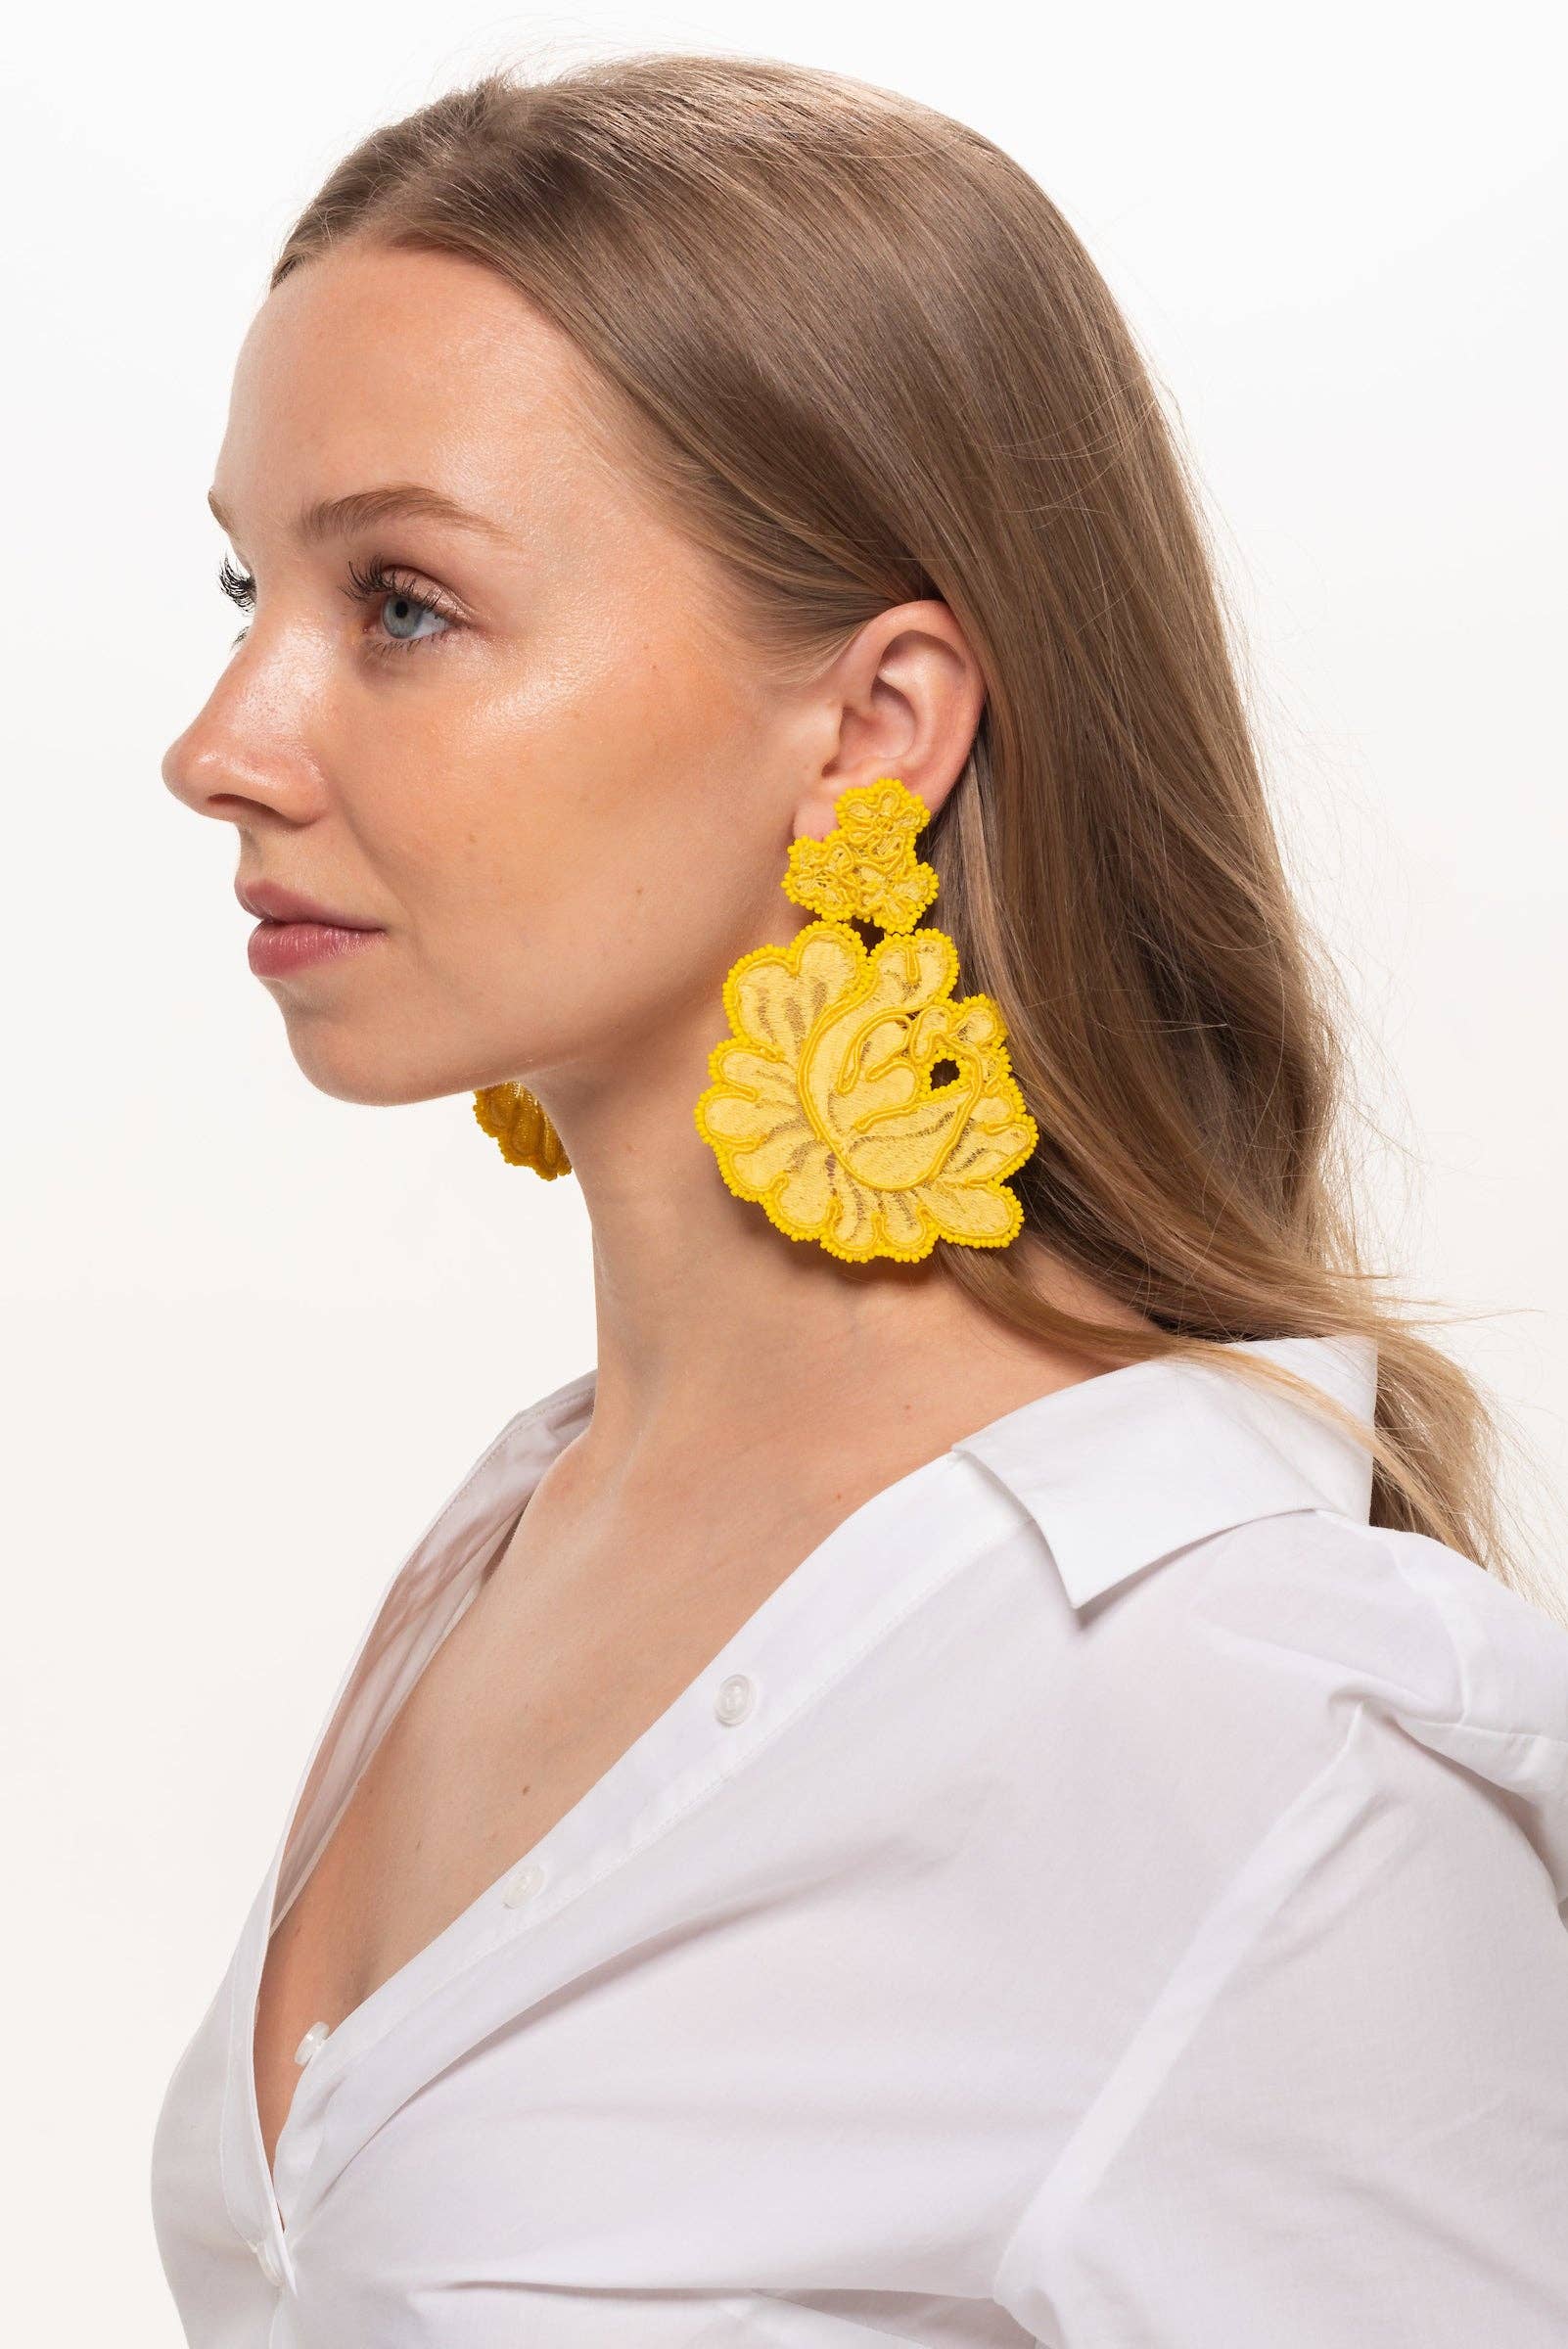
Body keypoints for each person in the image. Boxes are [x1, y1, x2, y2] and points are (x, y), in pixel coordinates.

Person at [149, 51, 1568, 2349]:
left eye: (400, 602)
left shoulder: (1251, 1712)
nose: (221, 739)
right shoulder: (505, 1533)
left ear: (877, 723)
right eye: (249, 583)